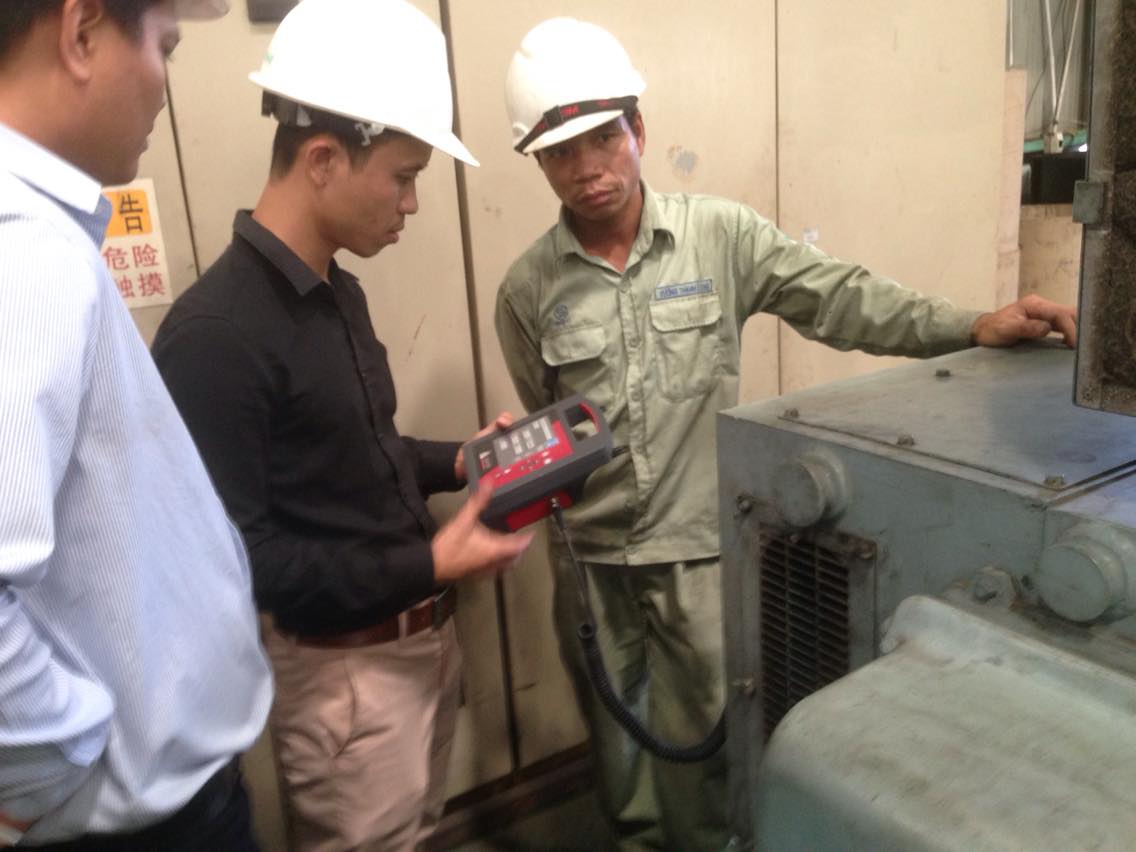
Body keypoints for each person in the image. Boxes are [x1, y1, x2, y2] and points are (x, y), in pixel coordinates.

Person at [495, 17, 1079, 852]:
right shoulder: (527, 289)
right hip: (592, 568)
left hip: (699, 556)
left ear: (638, 131)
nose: (588, 168)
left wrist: (969, 325)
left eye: (603, 138)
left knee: (710, 757)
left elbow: (839, 297)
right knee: (619, 762)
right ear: (540, 163)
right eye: (560, 152)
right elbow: (549, 421)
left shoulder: (719, 237)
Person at [150, 1, 533, 849]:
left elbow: (356, 453)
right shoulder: (215, 336)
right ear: (323, 159)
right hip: (345, 685)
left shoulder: (335, 290)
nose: (413, 203)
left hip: (418, 651)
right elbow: (243, 561)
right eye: (403, 176)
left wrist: (460, 460)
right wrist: (432, 560)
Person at [0, 1, 274, 850]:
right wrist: (53, 766)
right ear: (82, 32)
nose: (163, 83)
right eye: (164, 47)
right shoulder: (26, 254)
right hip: (133, 826)